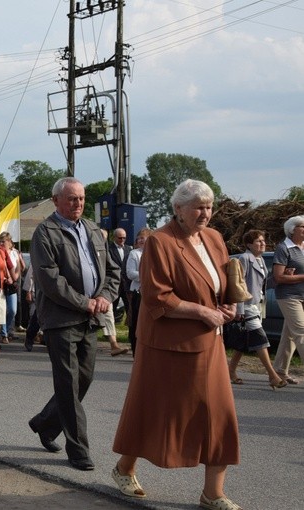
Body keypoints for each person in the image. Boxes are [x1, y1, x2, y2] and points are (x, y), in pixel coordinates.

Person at [111, 179, 242, 510]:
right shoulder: (161, 242)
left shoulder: (213, 238)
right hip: (169, 346)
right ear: (178, 209)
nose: (205, 213)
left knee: (219, 415)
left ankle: (213, 494)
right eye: (199, 206)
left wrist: (229, 305)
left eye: (209, 206)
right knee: (154, 412)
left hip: (210, 344)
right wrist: (202, 311)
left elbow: (224, 285)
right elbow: (157, 295)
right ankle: (124, 468)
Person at [27, 177, 120, 471]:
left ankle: (45, 422)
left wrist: (105, 296)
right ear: (56, 201)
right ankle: (78, 449)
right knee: (68, 384)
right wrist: (84, 302)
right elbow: (49, 279)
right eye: (71, 199)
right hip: (61, 319)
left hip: (90, 318)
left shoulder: (93, 230)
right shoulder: (45, 233)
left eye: (80, 198)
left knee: (84, 379)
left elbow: (112, 271)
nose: (77, 204)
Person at [226, 230, 287, 389]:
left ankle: (231, 370)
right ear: (248, 244)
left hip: (258, 305)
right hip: (247, 306)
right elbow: (238, 284)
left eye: (263, 241)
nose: (263, 243)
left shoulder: (259, 260)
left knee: (244, 341)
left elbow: (263, 284)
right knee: (261, 340)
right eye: (258, 241)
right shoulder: (245, 258)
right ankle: (272, 375)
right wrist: (239, 308)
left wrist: (281, 276)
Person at [271, 215, 304, 384]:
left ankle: (279, 371)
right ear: (293, 230)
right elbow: (278, 277)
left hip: (302, 295)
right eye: (302, 227)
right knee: (302, 332)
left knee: (289, 335)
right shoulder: (284, 248)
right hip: (289, 296)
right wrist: (301, 277)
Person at [125, 228, 152, 356]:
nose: (141, 240)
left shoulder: (155, 253)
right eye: (139, 238)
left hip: (151, 292)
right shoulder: (134, 253)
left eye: (144, 237)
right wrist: (148, 276)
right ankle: (136, 351)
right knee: (136, 322)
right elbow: (130, 273)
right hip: (137, 292)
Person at [0, 232, 24, 343]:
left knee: (12, 310)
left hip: (12, 284)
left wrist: (14, 277)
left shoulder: (14, 253)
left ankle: (7, 330)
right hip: (2, 283)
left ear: (9, 242)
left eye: (4, 241)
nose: (2, 243)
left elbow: (19, 268)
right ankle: (3, 334)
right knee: (3, 309)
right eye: (0, 241)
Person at [108, 227, 132, 323]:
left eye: (124, 238)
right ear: (114, 237)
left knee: (129, 307)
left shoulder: (129, 249)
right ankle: (109, 332)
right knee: (111, 308)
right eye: (120, 238)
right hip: (114, 283)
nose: (122, 240)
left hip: (126, 284)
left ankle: (131, 328)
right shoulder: (109, 249)